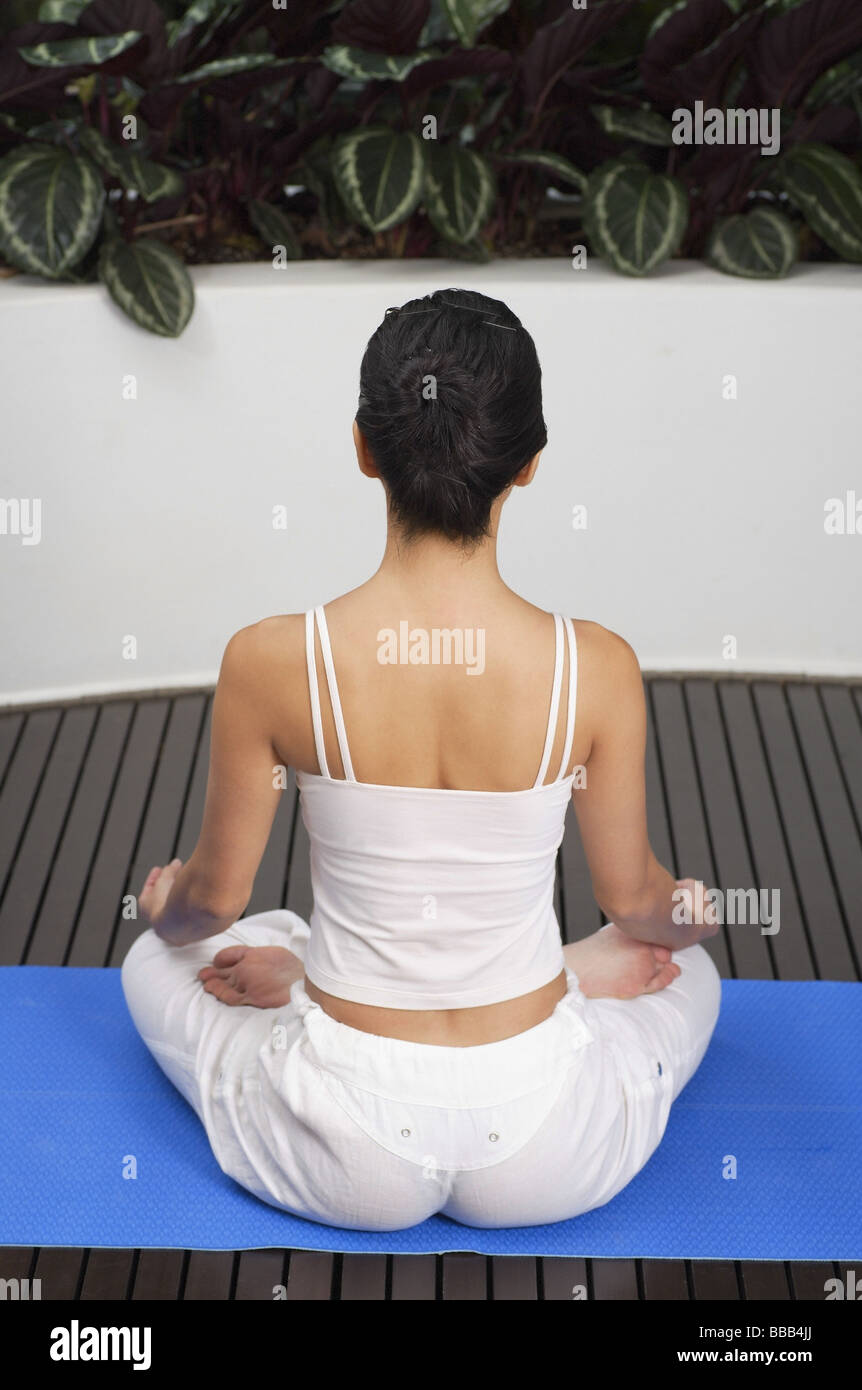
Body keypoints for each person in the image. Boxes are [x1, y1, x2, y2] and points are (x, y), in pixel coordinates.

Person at [121, 288, 721, 1232]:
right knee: (687, 975)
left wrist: (162, 909)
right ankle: (556, 976)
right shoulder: (595, 668)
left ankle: (320, 977)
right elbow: (641, 904)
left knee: (161, 963)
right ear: (528, 466)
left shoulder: (271, 660)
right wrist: (694, 914)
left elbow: (212, 904)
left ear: (363, 447)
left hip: (343, 1141)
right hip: (543, 1145)